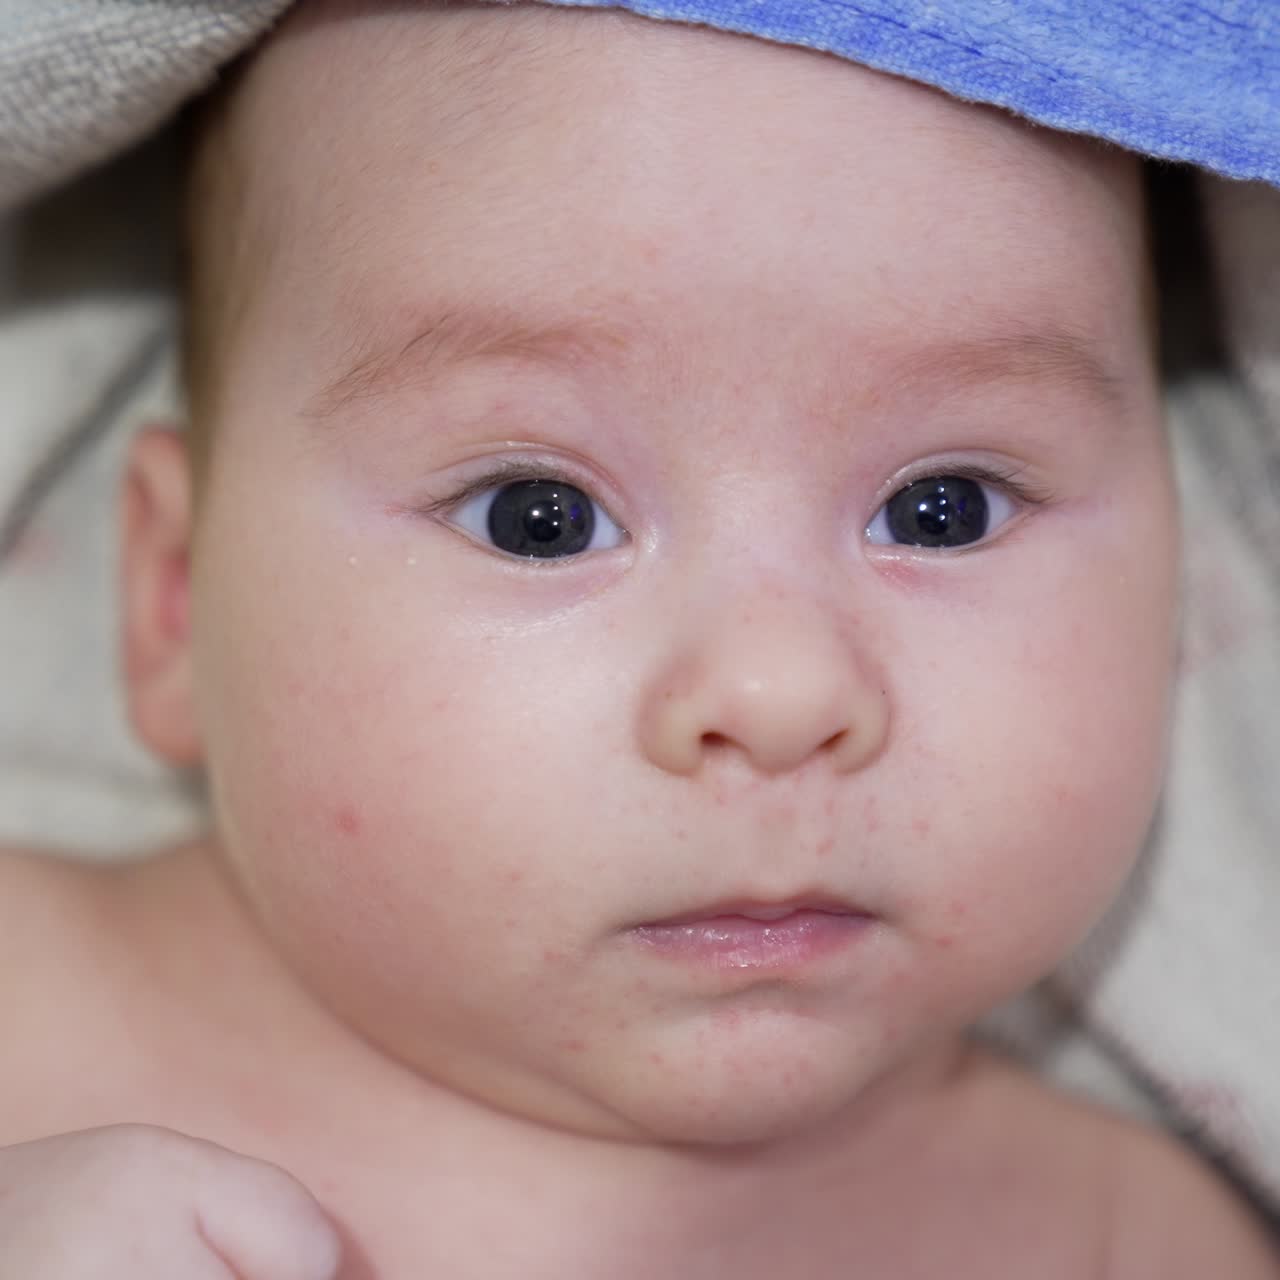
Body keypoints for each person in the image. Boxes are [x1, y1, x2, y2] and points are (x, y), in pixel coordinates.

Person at [0, 0, 1276, 1274]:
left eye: (941, 509)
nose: (780, 691)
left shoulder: (1118, 1236)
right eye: (540, 518)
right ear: (173, 599)